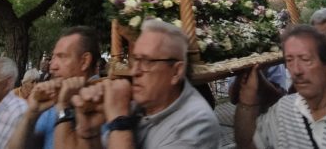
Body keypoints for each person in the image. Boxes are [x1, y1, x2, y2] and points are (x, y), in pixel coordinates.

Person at [72, 19, 220, 148]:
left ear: (176, 72)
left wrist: (119, 120)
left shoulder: (196, 123)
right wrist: (89, 133)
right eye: (135, 60)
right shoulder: (140, 106)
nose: (134, 72)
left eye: (147, 61)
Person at [6, 26, 100, 149]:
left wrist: (63, 108)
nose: (52, 67)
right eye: (53, 57)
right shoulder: (52, 101)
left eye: (62, 56)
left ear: (84, 61)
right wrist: (31, 114)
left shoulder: (104, 102)